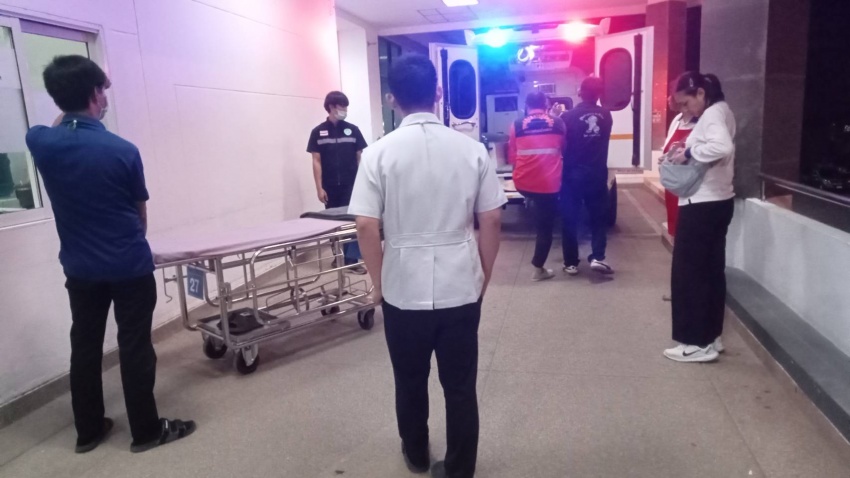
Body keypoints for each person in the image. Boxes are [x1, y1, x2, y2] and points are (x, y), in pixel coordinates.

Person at [24, 55, 195, 453]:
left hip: (80, 268)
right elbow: (140, 215)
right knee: (134, 346)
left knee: (84, 345)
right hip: (128, 265)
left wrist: (74, 105)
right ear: (94, 94)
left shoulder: (40, 142)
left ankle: (88, 431)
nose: (105, 98)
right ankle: (146, 432)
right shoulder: (122, 150)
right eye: (101, 91)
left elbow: (59, 123)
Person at [349, 54, 506, 478]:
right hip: (461, 285)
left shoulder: (377, 155)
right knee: (460, 385)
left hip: (402, 288)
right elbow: (491, 219)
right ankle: (459, 468)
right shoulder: (472, 150)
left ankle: (416, 453)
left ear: (391, 98)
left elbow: (366, 225)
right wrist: (483, 274)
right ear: (438, 92)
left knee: (409, 378)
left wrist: (379, 283)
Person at [662, 72, 736, 363]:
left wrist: (689, 151)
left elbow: (722, 147)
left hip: (701, 204)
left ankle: (695, 343)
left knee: (689, 274)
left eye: (686, 103)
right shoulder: (723, 110)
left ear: (701, 93)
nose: (685, 110)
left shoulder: (711, 114)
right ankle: (711, 336)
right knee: (711, 272)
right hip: (719, 200)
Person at [307, 91, 369, 274]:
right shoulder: (318, 132)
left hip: (351, 185)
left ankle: (352, 260)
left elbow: (360, 158)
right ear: (331, 107)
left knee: (351, 222)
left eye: (346, 107)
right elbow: (316, 161)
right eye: (342, 106)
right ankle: (338, 258)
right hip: (330, 186)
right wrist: (319, 187)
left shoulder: (353, 130)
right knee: (334, 224)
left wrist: (364, 183)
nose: (345, 110)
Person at [508, 92, 566, 281]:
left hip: (522, 183)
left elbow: (512, 156)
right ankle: (538, 269)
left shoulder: (516, 125)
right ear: (546, 104)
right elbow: (564, 149)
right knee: (545, 227)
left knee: (537, 205)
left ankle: (530, 202)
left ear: (527, 105)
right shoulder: (558, 123)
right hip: (549, 185)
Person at [559, 76, 614, 275]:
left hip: (572, 176)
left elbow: (562, 144)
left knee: (569, 219)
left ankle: (571, 263)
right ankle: (598, 257)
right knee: (598, 218)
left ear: (580, 92)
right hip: (597, 175)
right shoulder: (606, 115)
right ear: (599, 94)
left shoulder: (567, 117)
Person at [661, 93, 697, 236]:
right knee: (674, 224)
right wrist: (665, 157)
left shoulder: (699, 125)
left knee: (686, 227)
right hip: (673, 181)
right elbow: (669, 146)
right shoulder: (677, 120)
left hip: (688, 182)